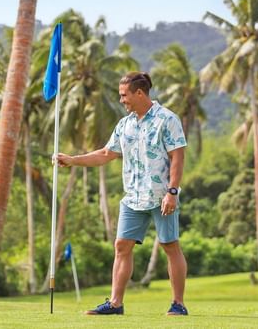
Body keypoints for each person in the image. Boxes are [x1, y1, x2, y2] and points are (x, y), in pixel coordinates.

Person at [54, 72, 189, 316]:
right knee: (121, 246)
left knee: (170, 246)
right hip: (132, 198)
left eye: (124, 95)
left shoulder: (167, 119)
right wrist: (73, 160)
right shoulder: (125, 124)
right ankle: (115, 304)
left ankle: (178, 303)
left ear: (140, 93)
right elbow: (106, 154)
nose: (121, 100)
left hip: (161, 196)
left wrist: (172, 191)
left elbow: (177, 157)